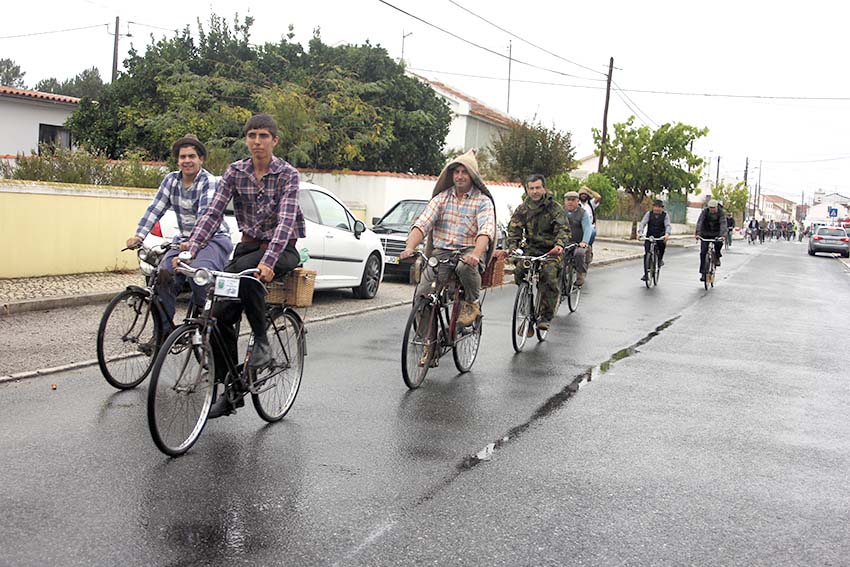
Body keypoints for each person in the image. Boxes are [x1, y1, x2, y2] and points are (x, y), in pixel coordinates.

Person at [182, 114, 305, 418]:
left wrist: (269, 260)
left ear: (274, 140)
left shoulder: (288, 175)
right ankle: (231, 389)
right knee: (221, 314)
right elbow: (212, 213)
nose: (257, 141)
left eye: (263, 136)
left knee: (246, 275)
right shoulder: (235, 172)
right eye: (252, 135)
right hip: (248, 247)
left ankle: (262, 343)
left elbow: (286, 222)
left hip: (284, 249)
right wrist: (192, 249)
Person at [127, 134, 232, 335]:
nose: (187, 161)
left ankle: (206, 320)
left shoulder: (208, 182)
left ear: (201, 159)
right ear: (177, 160)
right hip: (184, 240)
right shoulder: (170, 180)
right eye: (183, 157)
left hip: (213, 239)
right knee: (163, 275)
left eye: (192, 156)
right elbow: (154, 209)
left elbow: (205, 217)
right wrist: (139, 235)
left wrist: (192, 246)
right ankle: (165, 333)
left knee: (199, 273)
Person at [399, 149, 496, 328]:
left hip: (468, 251)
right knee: (423, 295)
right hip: (442, 252)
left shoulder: (483, 201)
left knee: (466, 266)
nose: (459, 176)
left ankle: (472, 303)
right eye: (456, 172)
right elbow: (423, 223)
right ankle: (426, 343)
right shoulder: (441, 198)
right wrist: (410, 247)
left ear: (472, 175)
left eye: (464, 172)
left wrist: (476, 254)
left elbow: (486, 230)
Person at [496, 174, 568, 331]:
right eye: (531, 188)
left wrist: (559, 245)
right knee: (520, 271)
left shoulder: (554, 208)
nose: (535, 191)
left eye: (538, 187)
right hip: (531, 249)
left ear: (544, 188)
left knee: (548, 276)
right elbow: (514, 228)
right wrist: (513, 246)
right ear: (527, 190)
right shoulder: (522, 208)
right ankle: (526, 304)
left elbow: (563, 229)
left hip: (550, 251)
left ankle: (546, 316)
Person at [563, 191, 592, 287]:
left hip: (578, 243)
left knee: (579, 253)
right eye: (568, 200)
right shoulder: (560, 212)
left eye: (573, 200)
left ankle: (580, 274)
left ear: (577, 201)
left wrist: (584, 242)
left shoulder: (583, 213)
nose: (570, 202)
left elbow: (588, 228)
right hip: (563, 242)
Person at [638, 199, 671, 281]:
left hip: (660, 236)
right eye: (656, 207)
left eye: (659, 207)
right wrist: (640, 232)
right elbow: (643, 223)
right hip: (650, 236)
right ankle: (646, 273)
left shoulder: (665, 215)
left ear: (662, 208)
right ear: (653, 207)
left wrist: (667, 234)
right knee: (647, 253)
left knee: (662, 246)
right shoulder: (649, 214)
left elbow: (668, 225)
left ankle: (660, 260)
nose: (657, 209)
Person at [695, 199, 727, 281]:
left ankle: (717, 256)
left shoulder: (721, 213)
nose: (712, 210)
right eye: (710, 208)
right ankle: (703, 273)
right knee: (703, 253)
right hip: (705, 233)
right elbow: (700, 222)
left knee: (719, 244)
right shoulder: (705, 212)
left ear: (717, 207)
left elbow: (723, 223)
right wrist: (698, 233)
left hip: (716, 234)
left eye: (714, 208)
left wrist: (723, 235)